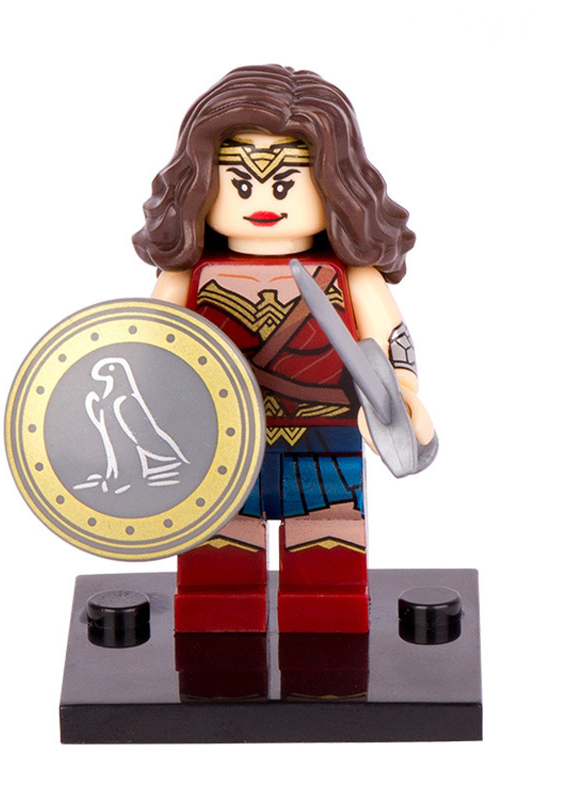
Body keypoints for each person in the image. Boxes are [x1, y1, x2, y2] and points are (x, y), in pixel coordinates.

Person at [133, 65, 436, 634]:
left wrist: (401, 401)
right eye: (240, 183)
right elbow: (147, 355)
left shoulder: (353, 278)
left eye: (285, 183)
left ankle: (329, 642)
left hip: (325, 437)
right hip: (215, 444)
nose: (263, 199)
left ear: (333, 184)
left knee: (329, 553)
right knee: (217, 559)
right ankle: (216, 646)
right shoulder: (186, 278)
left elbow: (391, 348)